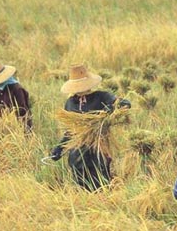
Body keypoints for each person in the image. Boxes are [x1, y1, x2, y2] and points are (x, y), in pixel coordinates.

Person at [50, 63, 131, 191]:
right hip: (77, 154)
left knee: (101, 183)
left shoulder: (101, 97)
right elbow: (71, 132)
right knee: (81, 185)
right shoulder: (70, 103)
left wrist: (112, 108)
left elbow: (125, 103)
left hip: (98, 148)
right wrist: (59, 148)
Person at [0, 58, 32, 131]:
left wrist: (11, 121)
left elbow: (22, 111)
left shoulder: (17, 89)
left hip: (18, 126)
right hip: (2, 125)